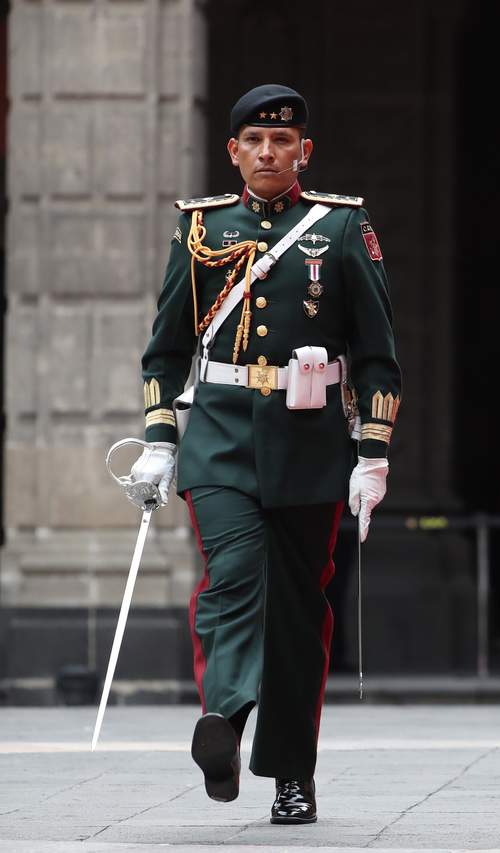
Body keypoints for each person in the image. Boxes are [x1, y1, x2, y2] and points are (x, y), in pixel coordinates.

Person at [127, 84, 401, 824]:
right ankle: (225, 716)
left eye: (283, 141)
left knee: (299, 609)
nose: (269, 152)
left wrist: (372, 453)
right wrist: (159, 440)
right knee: (233, 576)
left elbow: (377, 354)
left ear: (304, 151)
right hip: (220, 438)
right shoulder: (200, 228)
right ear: (234, 151)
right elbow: (165, 350)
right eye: (254, 140)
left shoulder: (341, 227)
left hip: (309, 442)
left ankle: (290, 773)